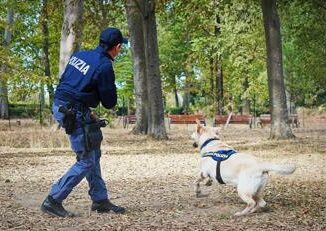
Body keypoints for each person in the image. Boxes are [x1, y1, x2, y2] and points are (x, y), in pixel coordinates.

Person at [41, 27, 128, 217]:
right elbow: (110, 102)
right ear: (117, 47)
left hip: (62, 105)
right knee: (86, 159)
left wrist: (87, 110)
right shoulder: (104, 66)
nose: (120, 51)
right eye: (121, 47)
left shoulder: (81, 55)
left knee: (93, 153)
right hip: (73, 111)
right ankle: (53, 200)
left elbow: (68, 83)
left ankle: (100, 200)